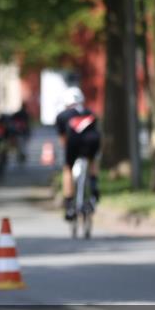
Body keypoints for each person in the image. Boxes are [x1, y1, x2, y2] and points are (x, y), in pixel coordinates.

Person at [55, 86, 101, 220]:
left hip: (74, 142)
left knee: (68, 168)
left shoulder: (62, 116)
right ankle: (94, 190)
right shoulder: (90, 113)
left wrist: (68, 153)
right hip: (92, 141)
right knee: (92, 160)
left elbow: (63, 139)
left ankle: (69, 204)